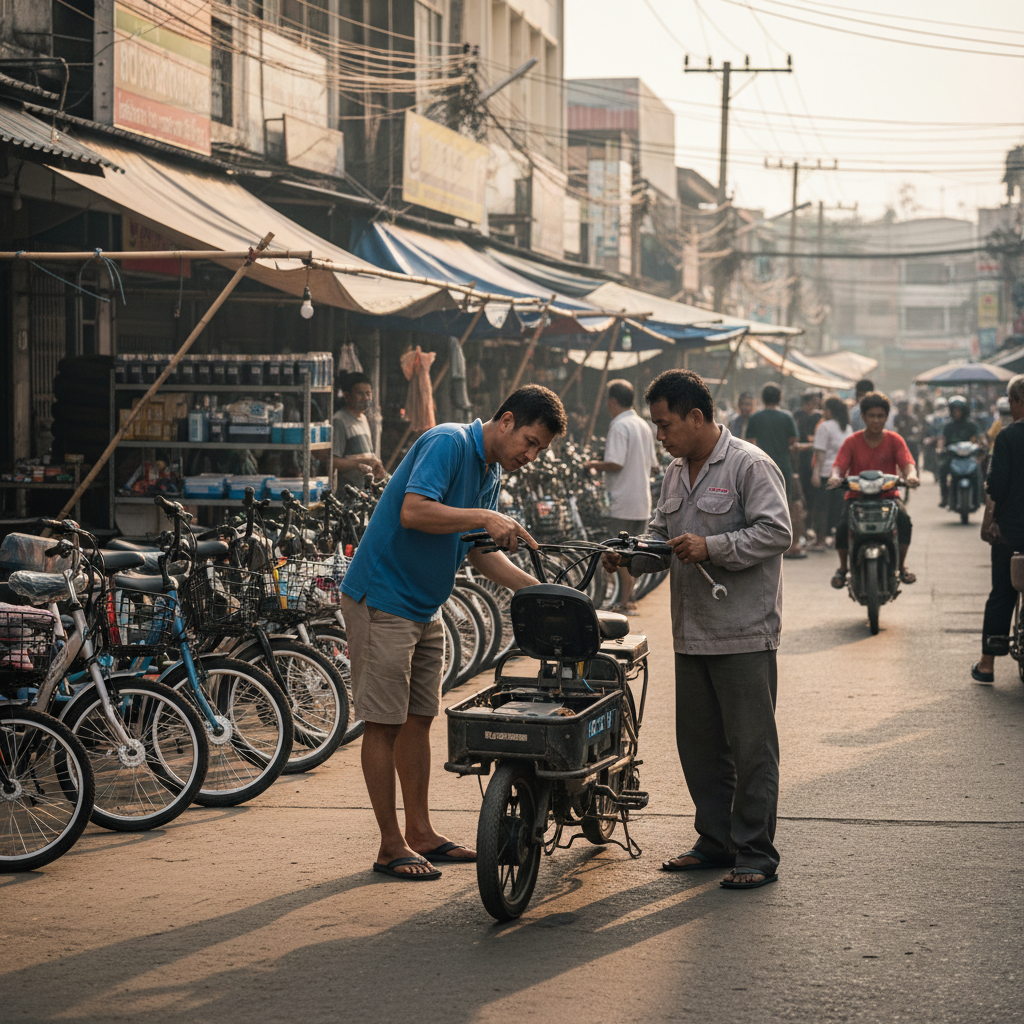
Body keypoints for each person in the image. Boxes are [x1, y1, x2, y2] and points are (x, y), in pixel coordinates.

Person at [340, 385, 568, 880]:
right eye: (530, 441)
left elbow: (480, 551)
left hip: (425, 607)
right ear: (506, 421)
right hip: (382, 600)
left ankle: (420, 833)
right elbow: (414, 510)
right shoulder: (449, 442)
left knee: (419, 718)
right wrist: (485, 515)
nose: (531, 455)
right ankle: (390, 845)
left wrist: (541, 592)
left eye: (540, 449)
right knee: (383, 723)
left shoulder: (490, 472)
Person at [606, 369, 792, 889]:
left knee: (751, 749)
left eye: (665, 425)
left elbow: (777, 531)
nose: (660, 436)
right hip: (691, 634)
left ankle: (755, 853)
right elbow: (660, 537)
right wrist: (630, 555)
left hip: (743, 633)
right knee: (700, 748)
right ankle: (716, 841)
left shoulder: (749, 465)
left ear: (695, 416)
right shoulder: (673, 473)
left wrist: (713, 547)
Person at [828, 391, 920, 588]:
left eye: (880, 416)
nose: (876, 420)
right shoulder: (852, 441)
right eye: (871, 416)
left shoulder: (895, 440)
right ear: (863, 416)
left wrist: (911, 476)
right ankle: (843, 569)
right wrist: (835, 477)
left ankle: (901, 567)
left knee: (904, 522)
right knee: (842, 527)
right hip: (856, 497)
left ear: (886, 417)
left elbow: (907, 464)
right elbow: (839, 466)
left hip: (889, 496)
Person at [582, 379, 659, 614]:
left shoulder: (619, 425)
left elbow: (616, 462)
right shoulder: (643, 425)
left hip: (623, 501)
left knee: (619, 554)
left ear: (613, 401)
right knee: (633, 552)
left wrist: (592, 464)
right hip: (642, 501)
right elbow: (654, 466)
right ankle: (629, 599)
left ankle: (625, 601)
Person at [972, 375, 1024, 683]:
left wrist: (990, 520)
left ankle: (987, 664)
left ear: (1016, 401)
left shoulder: (1007, 437)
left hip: (1013, 531)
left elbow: (996, 485)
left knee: (1003, 592)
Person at [746, 382, 805, 559]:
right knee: (784, 505)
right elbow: (793, 441)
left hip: (761, 467)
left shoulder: (755, 418)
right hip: (783, 467)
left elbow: (749, 442)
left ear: (762, 398)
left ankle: (765, 542)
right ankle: (788, 543)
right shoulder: (786, 417)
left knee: (761, 505)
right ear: (780, 397)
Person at [810, 396, 852, 551]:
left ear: (829, 411)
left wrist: (816, 473)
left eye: (824, 409)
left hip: (826, 474)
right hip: (843, 474)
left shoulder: (824, 426)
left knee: (821, 508)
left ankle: (820, 540)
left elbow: (820, 453)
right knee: (839, 508)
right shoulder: (847, 427)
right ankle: (837, 539)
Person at [332, 372, 385, 488]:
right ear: (347, 396)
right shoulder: (339, 420)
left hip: (364, 489)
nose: (366, 398)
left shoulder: (363, 418)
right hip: (348, 491)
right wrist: (359, 464)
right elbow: (333, 461)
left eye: (368, 393)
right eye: (360, 394)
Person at [937, 395, 980, 508]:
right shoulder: (948, 426)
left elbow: (979, 438)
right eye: (954, 410)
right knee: (942, 469)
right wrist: (940, 449)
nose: (957, 413)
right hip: (952, 456)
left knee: (978, 473)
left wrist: (981, 446)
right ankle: (944, 497)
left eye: (959, 410)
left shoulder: (971, 425)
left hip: (968, 457)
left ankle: (977, 499)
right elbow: (942, 439)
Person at [794, 390, 823, 549]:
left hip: (812, 460)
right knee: (802, 496)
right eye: (814, 402)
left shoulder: (817, 417)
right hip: (801, 462)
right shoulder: (799, 416)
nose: (816, 405)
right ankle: (803, 531)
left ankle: (809, 529)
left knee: (811, 497)